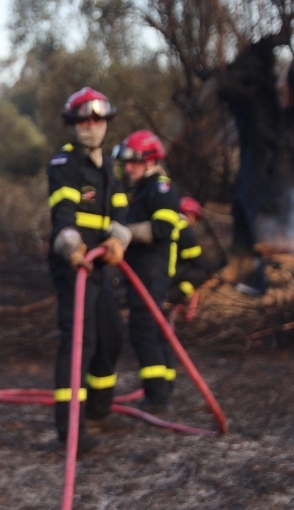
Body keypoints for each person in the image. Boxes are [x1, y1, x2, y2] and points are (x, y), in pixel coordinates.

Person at [47, 87, 131, 451]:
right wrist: (72, 247)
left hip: (100, 265)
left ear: (107, 123)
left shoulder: (109, 168)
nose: (91, 126)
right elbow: (63, 217)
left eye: (97, 119)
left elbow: (121, 216)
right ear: (73, 124)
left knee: (111, 336)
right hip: (75, 266)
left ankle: (99, 409)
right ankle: (72, 432)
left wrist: (118, 241)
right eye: (83, 120)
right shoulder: (64, 166)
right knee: (79, 342)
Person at [113, 130, 181, 413]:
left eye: (134, 161)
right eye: (126, 161)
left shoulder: (161, 189)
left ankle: (156, 396)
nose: (128, 167)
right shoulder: (143, 189)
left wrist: (125, 232)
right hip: (143, 271)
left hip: (151, 271)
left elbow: (163, 228)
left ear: (151, 161)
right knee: (152, 327)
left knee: (143, 328)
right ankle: (164, 387)